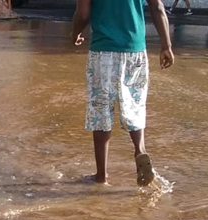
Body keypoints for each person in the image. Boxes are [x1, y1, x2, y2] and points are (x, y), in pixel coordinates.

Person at [71, 0, 173, 186]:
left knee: (101, 110)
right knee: (135, 103)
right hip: (135, 51)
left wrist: (75, 32)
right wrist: (166, 46)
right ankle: (140, 149)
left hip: (103, 51)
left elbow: (83, 14)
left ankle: (101, 176)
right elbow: (157, 7)